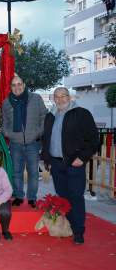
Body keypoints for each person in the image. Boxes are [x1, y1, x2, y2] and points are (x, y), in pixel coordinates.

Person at [42, 87, 99, 245]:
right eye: (57, 97)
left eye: (63, 96)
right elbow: (46, 139)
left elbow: (94, 139)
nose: (60, 99)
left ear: (70, 97)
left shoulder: (81, 113)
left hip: (74, 163)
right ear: (54, 99)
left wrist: (82, 157)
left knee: (76, 197)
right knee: (63, 197)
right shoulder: (50, 115)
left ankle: (79, 231)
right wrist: (47, 159)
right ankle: (70, 226)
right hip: (56, 163)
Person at [2, 76, 47, 208]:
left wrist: (38, 132)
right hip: (15, 144)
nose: (17, 87)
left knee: (33, 172)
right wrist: (9, 134)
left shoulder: (36, 98)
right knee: (16, 172)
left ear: (24, 84)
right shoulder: (6, 103)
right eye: (14, 85)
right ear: (11, 87)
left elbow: (44, 116)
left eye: (19, 84)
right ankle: (18, 196)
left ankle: (32, 197)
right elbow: (4, 122)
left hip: (33, 143)